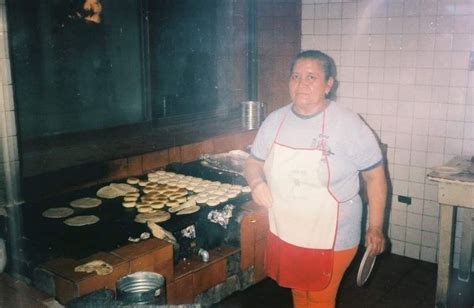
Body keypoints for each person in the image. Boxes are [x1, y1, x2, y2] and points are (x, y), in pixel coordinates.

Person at [244, 50, 387, 308]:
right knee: (300, 293)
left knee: (320, 298)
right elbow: (253, 162)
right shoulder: (275, 121)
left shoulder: (348, 124)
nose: (301, 84)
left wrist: (375, 227)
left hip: (332, 236)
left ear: (328, 84)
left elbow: (375, 176)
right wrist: (257, 183)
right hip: (287, 230)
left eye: (312, 77)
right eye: (296, 76)